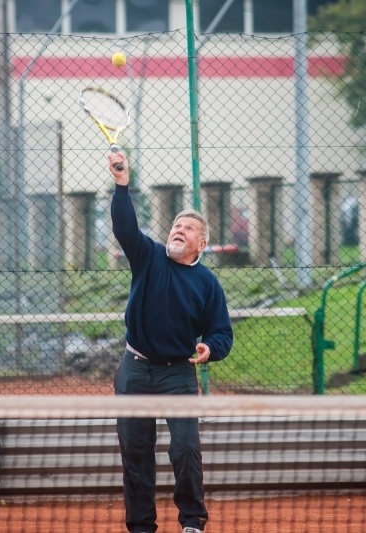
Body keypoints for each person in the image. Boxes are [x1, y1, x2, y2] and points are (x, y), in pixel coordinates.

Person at [108, 150, 233, 533]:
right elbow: (125, 227)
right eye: (176, 225)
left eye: (189, 228)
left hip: (177, 373)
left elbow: (222, 333)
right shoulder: (148, 256)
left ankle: (192, 522)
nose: (179, 229)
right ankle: (141, 527)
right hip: (134, 370)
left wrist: (209, 348)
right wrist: (122, 184)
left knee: (186, 449)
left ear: (202, 244)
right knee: (136, 453)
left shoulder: (208, 283)